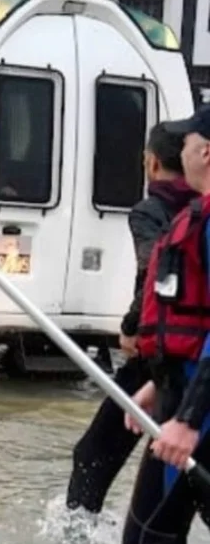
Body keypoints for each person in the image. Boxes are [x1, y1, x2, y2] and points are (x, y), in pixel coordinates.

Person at [67, 123, 200, 515]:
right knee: (173, 463)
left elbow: (155, 271)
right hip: (190, 353)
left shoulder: (151, 210)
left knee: (93, 454)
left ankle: (78, 541)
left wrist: (130, 326)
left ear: (152, 162)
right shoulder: (199, 207)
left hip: (154, 350)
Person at [122, 107, 210, 544]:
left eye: (190, 140)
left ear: (205, 152)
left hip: (198, 416)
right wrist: (161, 382)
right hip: (181, 398)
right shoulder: (194, 217)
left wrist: (190, 419)